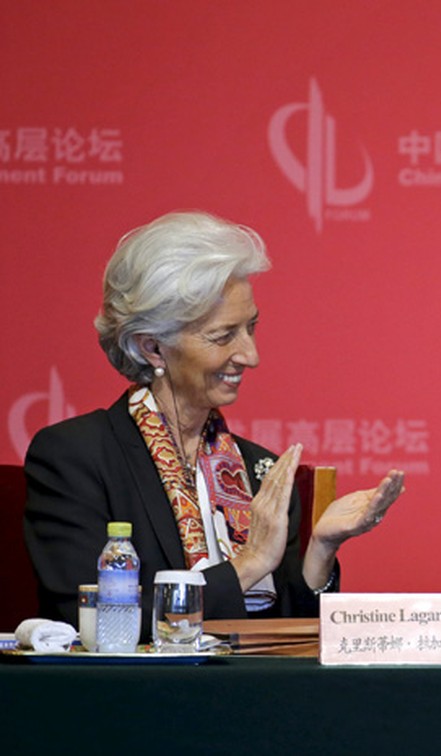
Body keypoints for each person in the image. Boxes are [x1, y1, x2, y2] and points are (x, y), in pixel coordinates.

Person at [24, 211, 405, 634]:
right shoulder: (76, 457)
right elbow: (89, 620)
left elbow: (288, 639)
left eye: (251, 328)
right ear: (151, 347)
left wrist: (322, 547)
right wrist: (247, 567)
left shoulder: (259, 470)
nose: (250, 355)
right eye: (223, 336)